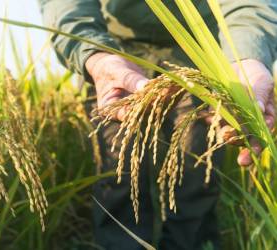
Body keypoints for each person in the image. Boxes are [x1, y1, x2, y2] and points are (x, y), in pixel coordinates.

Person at [38, 1, 277, 249]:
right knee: (118, 173)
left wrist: (248, 57)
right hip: (112, 46)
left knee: (196, 172)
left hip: (198, 48)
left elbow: (248, 4)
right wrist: (93, 54)